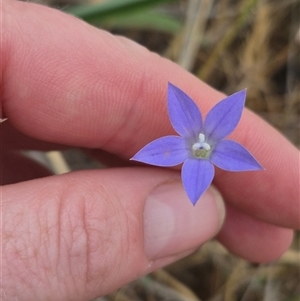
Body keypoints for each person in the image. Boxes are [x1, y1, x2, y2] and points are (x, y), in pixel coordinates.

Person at [1, 1, 299, 300]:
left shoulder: (219, 150)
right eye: (199, 146)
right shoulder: (185, 139)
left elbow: (221, 147)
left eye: (203, 147)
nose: (200, 146)